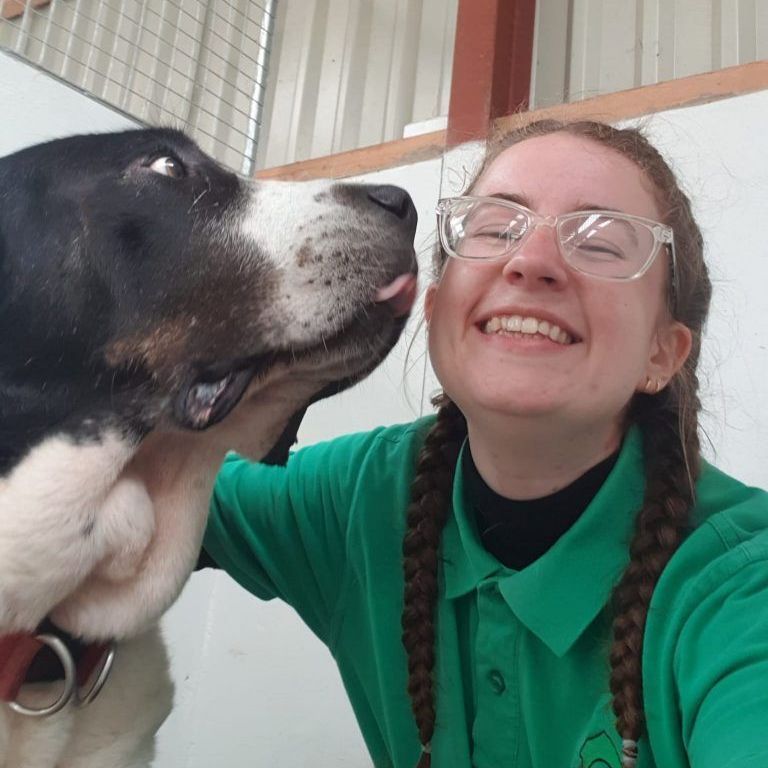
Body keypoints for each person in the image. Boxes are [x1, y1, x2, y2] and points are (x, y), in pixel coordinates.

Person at [200, 119, 768, 768]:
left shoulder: (740, 588)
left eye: (602, 242)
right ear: (437, 309)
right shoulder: (364, 499)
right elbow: (135, 494)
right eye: (497, 228)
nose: (531, 262)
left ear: (662, 353)